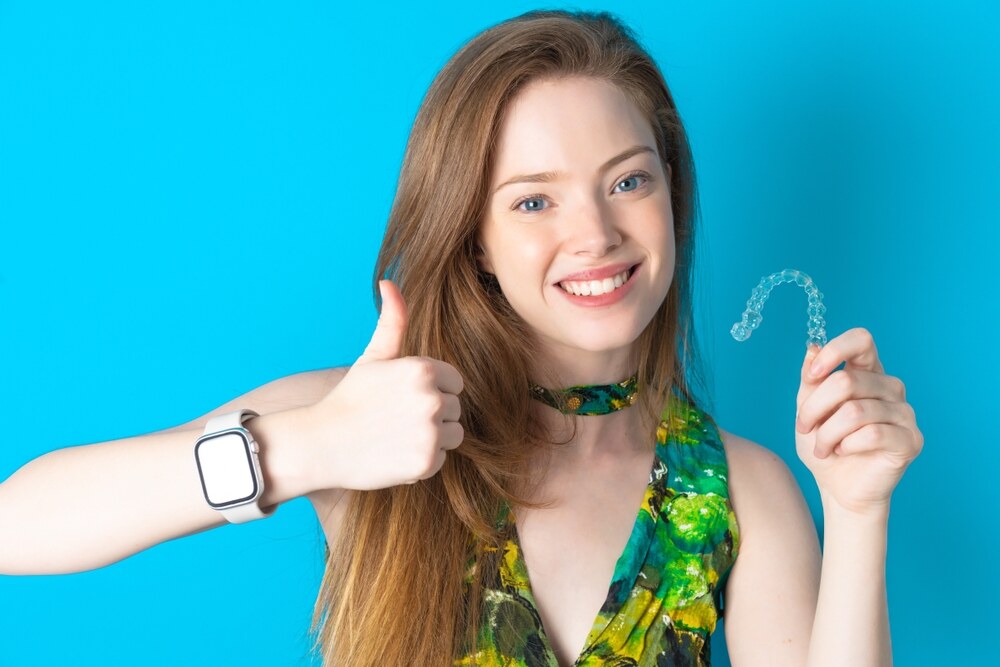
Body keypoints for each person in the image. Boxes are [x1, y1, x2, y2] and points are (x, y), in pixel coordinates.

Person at [0, 9, 923, 667]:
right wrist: (307, 446)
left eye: (628, 181)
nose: (596, 234)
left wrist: (857, 511)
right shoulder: (363, 418)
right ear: (474, 236)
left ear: (672, 197)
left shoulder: (738, 488)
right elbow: (18, 525)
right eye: (533, 201)